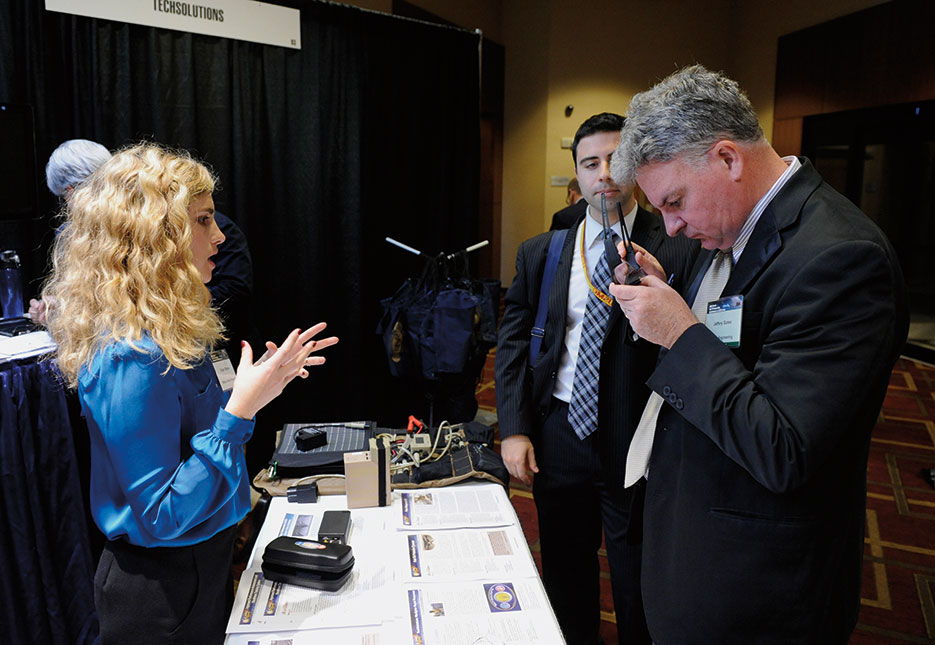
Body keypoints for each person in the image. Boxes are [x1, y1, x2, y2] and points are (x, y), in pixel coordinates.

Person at [608, 65, 908, 643]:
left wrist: (679, 331)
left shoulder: (843, 259)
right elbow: (728, 342)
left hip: (759, 590)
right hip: (686, 537)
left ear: (728, 158)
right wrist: (663, 287)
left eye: (674, 201)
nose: (669, 225)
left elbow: (783, 447)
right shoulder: (718, 230)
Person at [42, 143, 339, 644]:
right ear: (155, 235)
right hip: (158, 595)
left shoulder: (173, 329)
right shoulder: (129, 356)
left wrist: (260, 386)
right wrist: (241, 409)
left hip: (201, 568)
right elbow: (163, 515)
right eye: (203, 220)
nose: (220, 235)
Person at [496, 113, 698, 644]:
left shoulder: (677, 244)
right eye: (591, 163)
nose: (604, 173)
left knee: (639, 581)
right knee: (564, 570)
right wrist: (513, 427)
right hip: (559, 431)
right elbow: (515, 342)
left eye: (616, 160)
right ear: (578, 176)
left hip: (638, 438)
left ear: (635, 167)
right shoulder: (545, 250)